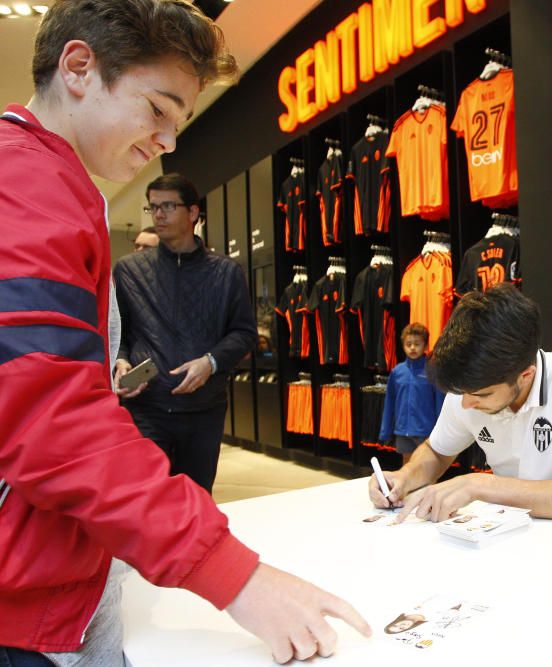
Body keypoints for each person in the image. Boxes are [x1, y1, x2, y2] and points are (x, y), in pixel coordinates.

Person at [0, 1, 370, 664]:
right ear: (80, 68)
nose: (167, 142)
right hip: (24, 604)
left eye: (180, 122)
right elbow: (50, 421)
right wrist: (235, 576)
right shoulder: (23, 185)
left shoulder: (52, 184)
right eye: (158, 110)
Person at [369, 284, 552, 526]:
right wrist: (405, 477)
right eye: (463, 393)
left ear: (525, 375)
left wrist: (481, 486)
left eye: (483, 394)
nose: (466, 404)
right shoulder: (468, 388)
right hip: (508, 531)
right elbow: (437, 452)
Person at [113, 172, 254, 492]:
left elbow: (244, 333)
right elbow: (118, 330)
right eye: (153, 208)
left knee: (197, 499)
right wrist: (120, 362)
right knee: (144, 497)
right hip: (146, 408)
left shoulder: (226, 272)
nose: (159, 214)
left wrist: (211, 361)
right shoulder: (129, 270)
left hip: (203, 411)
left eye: (168, 206)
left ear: (193, 213)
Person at [378, 322, 445, 464]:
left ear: (426, 346)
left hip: (426, 431)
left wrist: (441, 431)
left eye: (417, 343)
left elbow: (440, 403)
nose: (412, 347)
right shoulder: (397, 372)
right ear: (403, 346)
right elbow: (389, 402)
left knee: (427, 467)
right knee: (407, 466)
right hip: (403, 431)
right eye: (408, 344)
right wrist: (385, 430)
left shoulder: (432, 370)